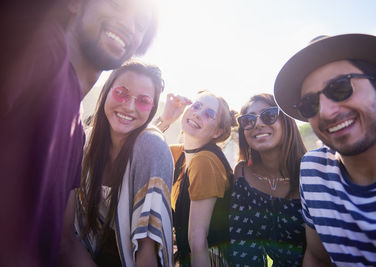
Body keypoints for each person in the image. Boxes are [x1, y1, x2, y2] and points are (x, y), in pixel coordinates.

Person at [0, 0, 159, 266]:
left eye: (140, 24)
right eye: (117, 4)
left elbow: (63, 241)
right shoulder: (44, 46)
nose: (129, 25)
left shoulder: (77, 136)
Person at [274, 34, 376, 266]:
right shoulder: (314, 170)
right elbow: (318, 257)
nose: (327, 112)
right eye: (309, 104)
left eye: (341, 87)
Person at [60, 61, 173, 266]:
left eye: (143, 101)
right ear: (107, 91)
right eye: (121, 92)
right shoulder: (84, 142)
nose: (129, 106)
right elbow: (66, 234)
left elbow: (146, 252)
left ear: (152, 109)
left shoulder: (151, 147)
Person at [158, 91, 235, 267]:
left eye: (209, 114)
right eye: (196, 106)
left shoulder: (205, 161)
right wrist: (166, 119)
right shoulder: (180, 155)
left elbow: (197, 240)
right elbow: (139, 148)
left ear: (217, 132)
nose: (197, 114)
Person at [230, 93, 307, 266]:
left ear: (287, 121)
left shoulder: (312, 172)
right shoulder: (243, 174)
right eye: (248, 120)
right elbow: (243, 247)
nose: (257, 124)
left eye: (269, 115)